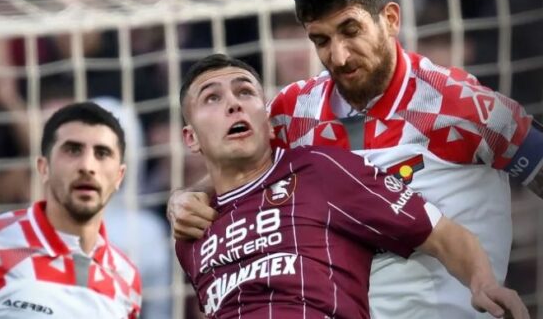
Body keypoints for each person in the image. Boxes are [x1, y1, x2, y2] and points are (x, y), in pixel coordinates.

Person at [168, 0, 543, 318]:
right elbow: (234, 159)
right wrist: (185, 198)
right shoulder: (294, 112)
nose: (339, 56)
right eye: (321, 40)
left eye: (351, 31)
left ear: (390, 19)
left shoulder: (461, 106)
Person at [174, 54, 528, 318]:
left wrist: (484, 284)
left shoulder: (319, 170)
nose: (233, 104)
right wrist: (179, 196)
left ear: (269, 123)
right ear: (191, 138)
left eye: (245, 92)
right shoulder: (190, 231)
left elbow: (441, 233)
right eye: (212, 98)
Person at [0, 102, 142, 318]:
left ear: (119, 176)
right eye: (73, 150)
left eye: (102, 153)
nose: (87, 166)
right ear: (44, 168)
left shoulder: (126, 278)